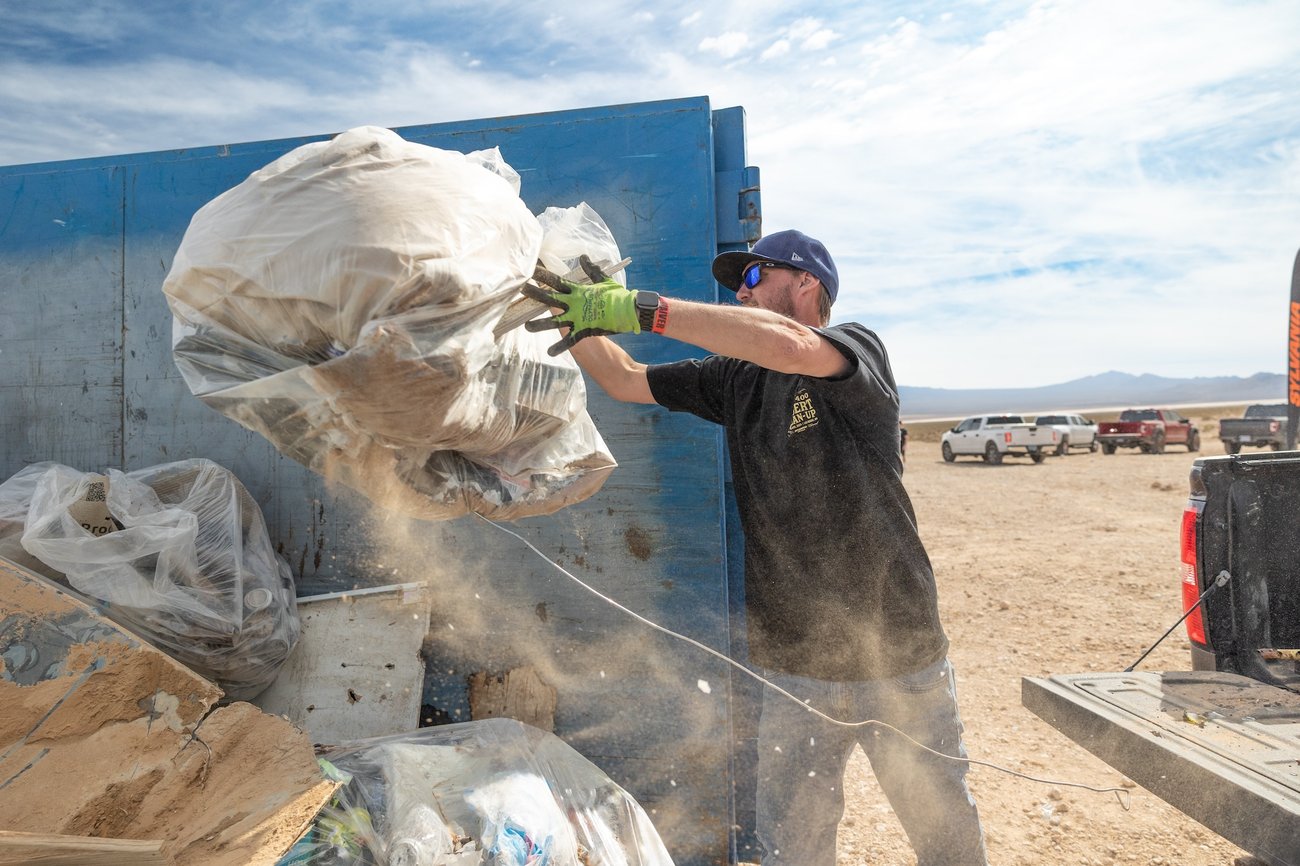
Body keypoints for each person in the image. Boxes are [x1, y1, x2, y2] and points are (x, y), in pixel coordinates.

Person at [523, 230, 986, 866]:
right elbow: (626, 380)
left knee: (946, 839)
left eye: (754, 276)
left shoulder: (855, 350)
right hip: (795, 661)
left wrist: (639, 308)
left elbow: (793, 347)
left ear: (806, 284)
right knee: (792, 845)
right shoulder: (735, 378)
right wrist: (574, 318)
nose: (741, 291)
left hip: (897, 654)